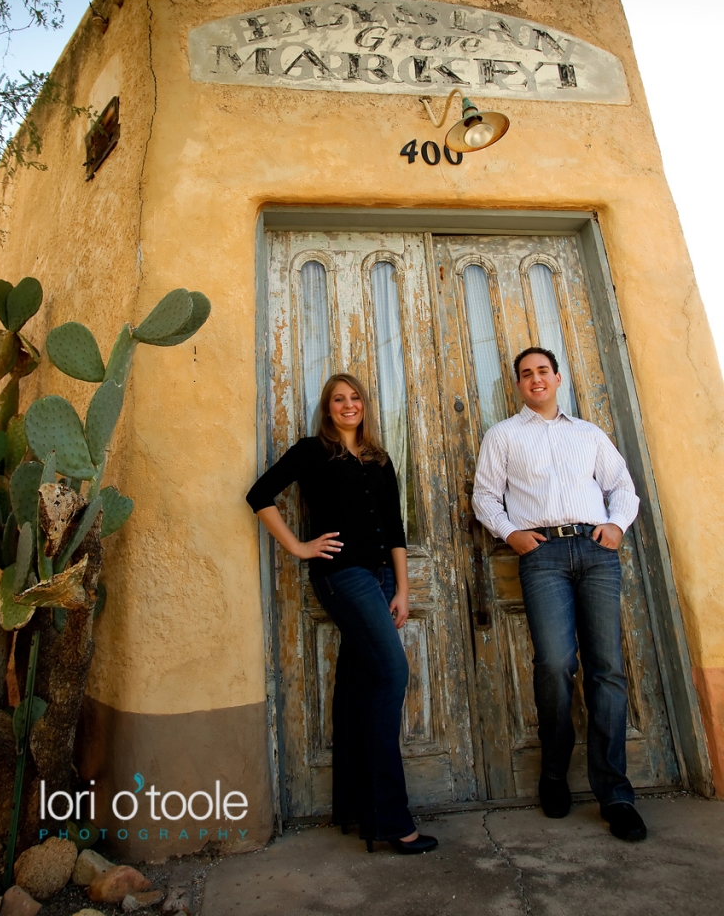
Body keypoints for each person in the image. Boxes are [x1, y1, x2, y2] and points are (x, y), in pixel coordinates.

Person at [246, 372, 438, 855]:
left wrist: (403, 589)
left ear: (364, 405)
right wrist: (299, 547)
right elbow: (259, 495)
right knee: (393, 674)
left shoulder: (379, 458)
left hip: (380, 579)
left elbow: (395, 526)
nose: (348, 405)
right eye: (338, 399)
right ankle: (393, 819)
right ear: (327, 408)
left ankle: (362, 813)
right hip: (342, 575)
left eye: (355, 398)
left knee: (360, 686)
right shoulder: (313, 451)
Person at [472, 346, 647, 842]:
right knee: (553, 663)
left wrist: (615, 525)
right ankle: (554, 773)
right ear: (518, 384)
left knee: (606, 667)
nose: (535, 380)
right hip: (542, 555)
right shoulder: (502, 435)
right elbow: (485, 495)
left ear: (557, 377)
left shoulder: (588, 433)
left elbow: (622, 487)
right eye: (525, 374)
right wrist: (511, 535)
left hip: (596, 551)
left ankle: (615, 793)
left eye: (542, 371)